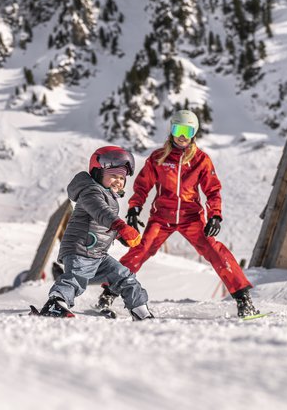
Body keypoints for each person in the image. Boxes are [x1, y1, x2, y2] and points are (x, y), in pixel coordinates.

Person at [96, 110, 260, 318]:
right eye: (178, 129)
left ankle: (243, 300)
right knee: (140, 250)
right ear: (171, 130)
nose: (182, 135)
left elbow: (212, 190)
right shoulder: (158, 158)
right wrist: (135, 207)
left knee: (215, 250)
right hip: (162, 218)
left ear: (194, 134)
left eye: (188, 131)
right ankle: (108, 293)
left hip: (191, 218)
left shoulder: (201, 160)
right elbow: (142, 186)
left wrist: (215, 215)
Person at [36, 146, 154, 320]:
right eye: (113, 175)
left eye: (122, 178)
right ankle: (56, 303)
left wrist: (120, 236)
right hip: (80, 249)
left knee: (124, 276)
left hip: (98, 254)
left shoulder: (107, 196)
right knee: (76, 278)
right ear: (98, 173)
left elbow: (100, 225)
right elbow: (100, 212)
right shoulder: (90, 192)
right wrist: (120, 226)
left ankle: (140, 310)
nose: (118, 181)